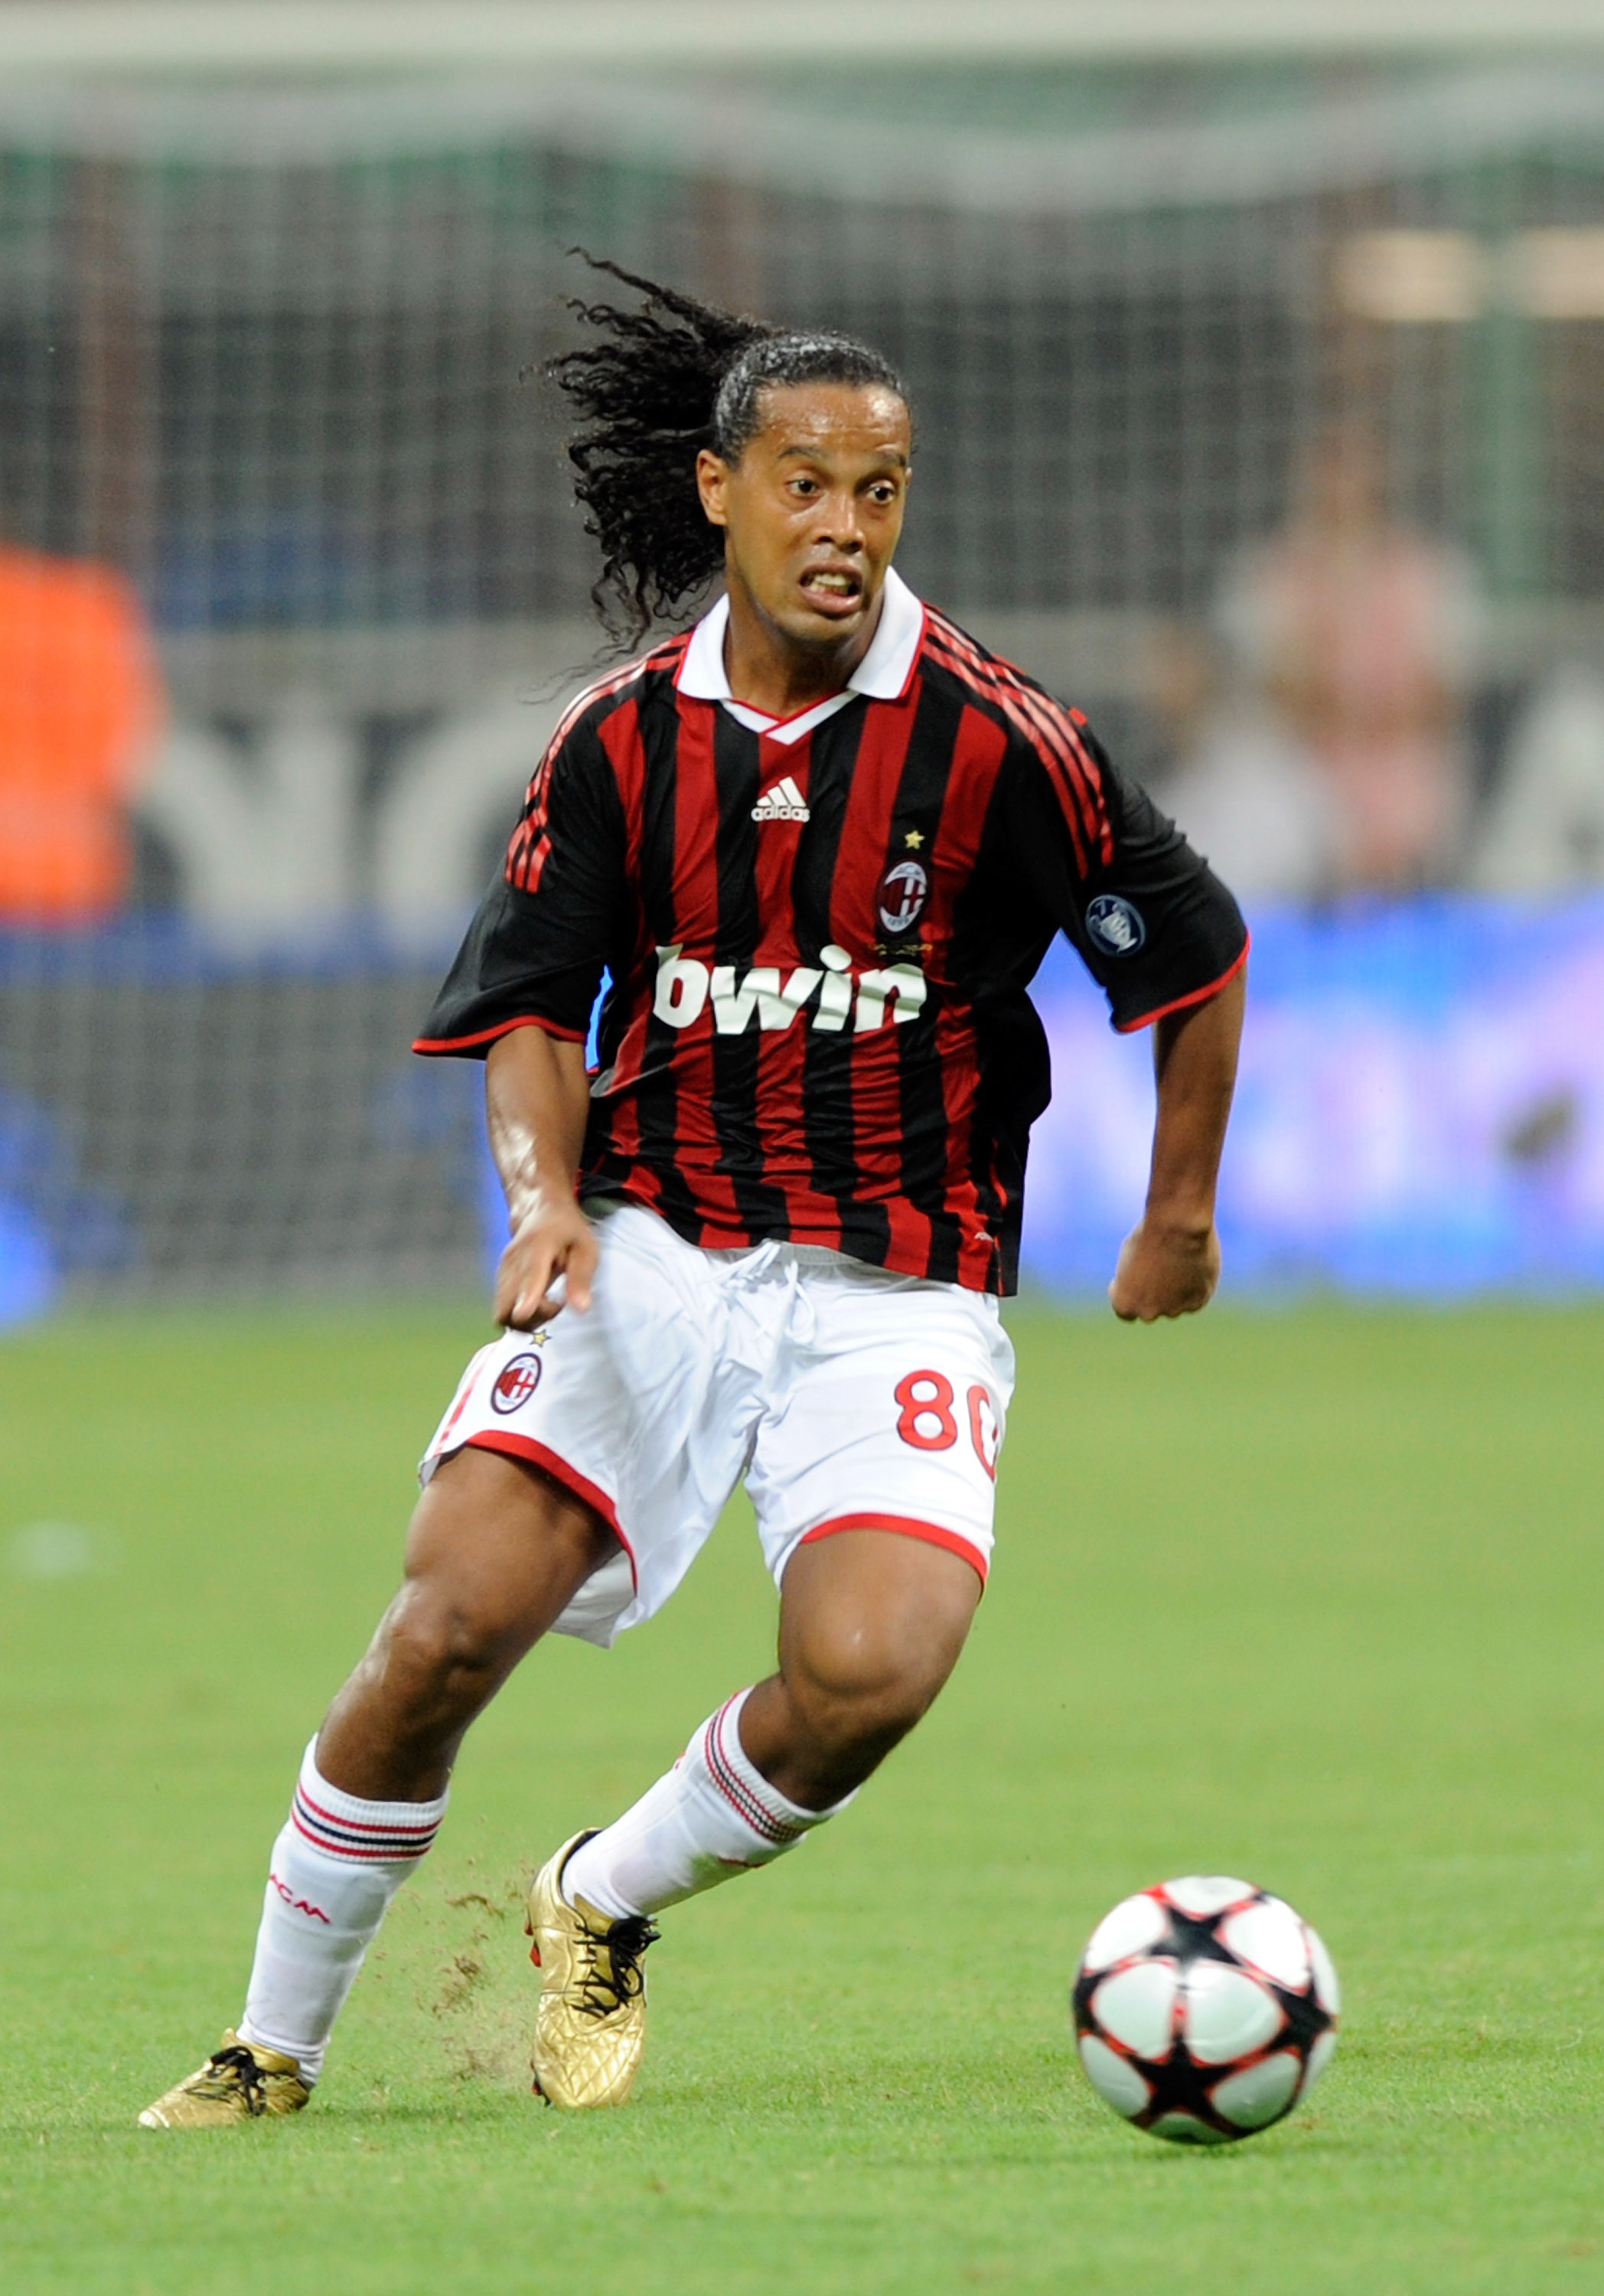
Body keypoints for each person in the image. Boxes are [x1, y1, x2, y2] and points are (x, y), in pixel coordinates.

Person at [139, 262, 1247, 2128]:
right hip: (651, 1249)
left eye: (878, 489)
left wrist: (1178, 1212)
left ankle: (603, 1890)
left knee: (872, 1672)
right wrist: (541, 1200)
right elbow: (526, 1012)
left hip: (899, 1280)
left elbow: (1191, 956)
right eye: (803, 481)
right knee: (441, 1628)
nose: (843, 525)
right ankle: (271, 2043)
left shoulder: (998, 739)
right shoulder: (617, 741)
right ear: (718, 487)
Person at [1193, 419, 1482, 894]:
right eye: (1330, 470)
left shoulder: (1429, 570)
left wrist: (1363, 713)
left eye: (1357, 471)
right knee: (1242, 784)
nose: (1343, 487)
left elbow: (1444, 697)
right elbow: (1277, 696)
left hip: (1408, 782)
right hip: (1299, 786)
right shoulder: (1266, 573)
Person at [0, 541, 162, 921]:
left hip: (77, 885)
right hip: (77, 876)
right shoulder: (95, 604)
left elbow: (129, 746)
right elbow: (134, 744)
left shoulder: (92, 606)